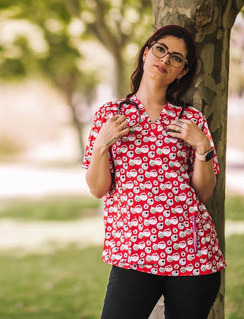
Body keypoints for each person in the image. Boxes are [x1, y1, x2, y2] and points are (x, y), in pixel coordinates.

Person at [81, 25, 226, 319]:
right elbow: (98, 189)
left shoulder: (190, 119)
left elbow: (203, 192)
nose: (164, 59)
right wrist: (101, 146)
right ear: (147, 53)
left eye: (176, 58)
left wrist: (202, 147)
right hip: (132, 255)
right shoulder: (110, 115)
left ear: (182, 71)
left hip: (190, 254)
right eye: (160, 49)